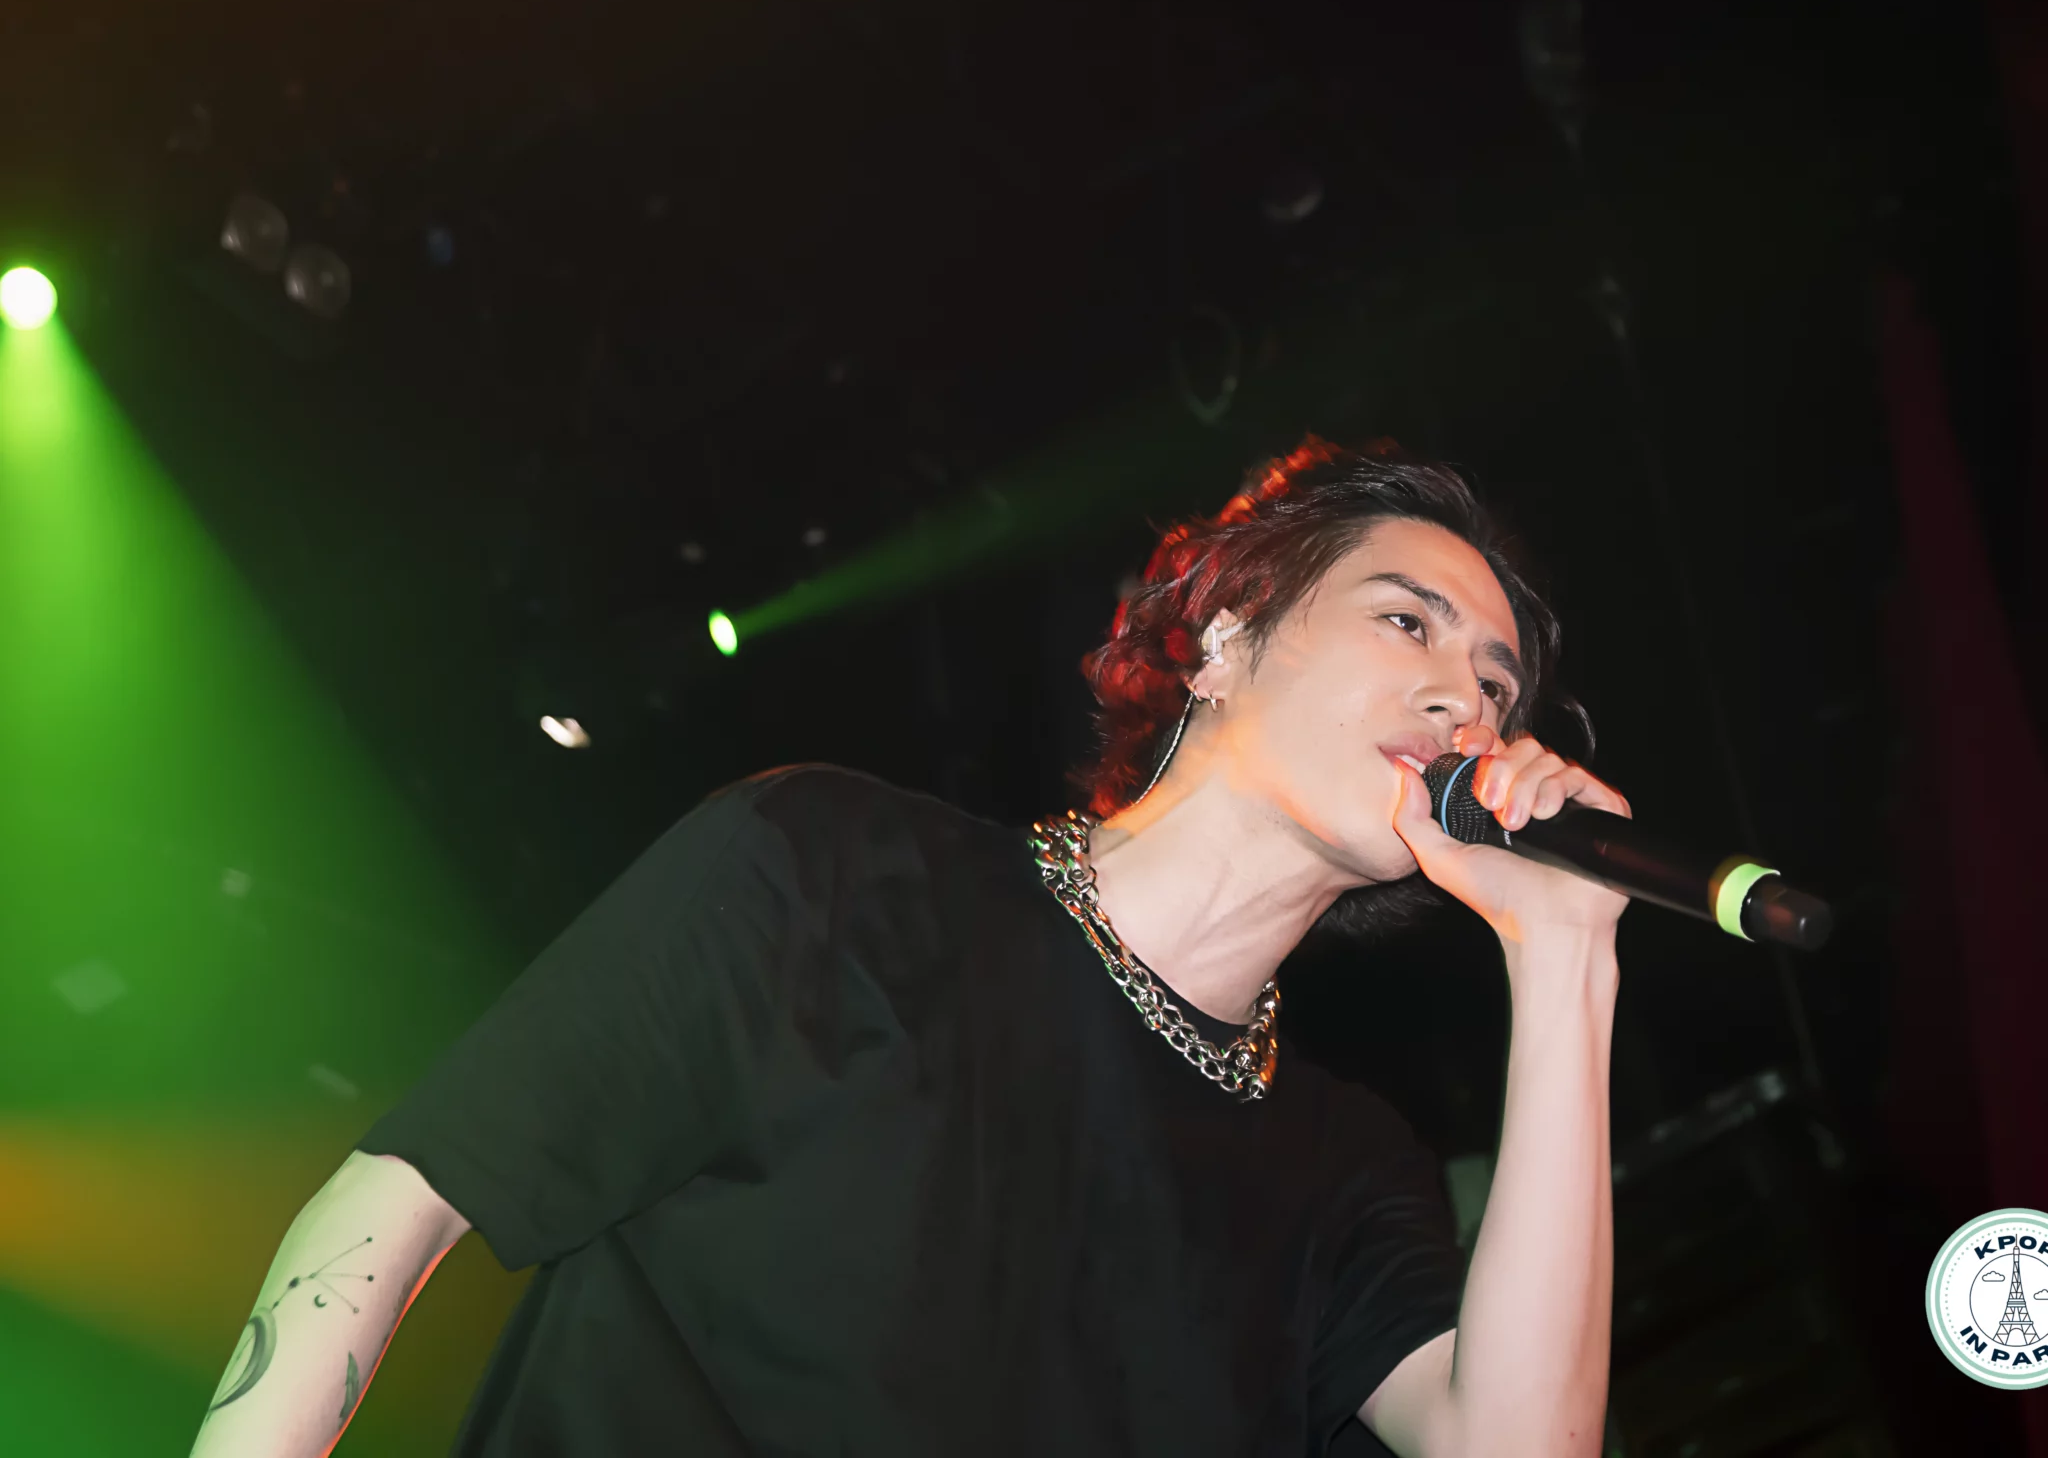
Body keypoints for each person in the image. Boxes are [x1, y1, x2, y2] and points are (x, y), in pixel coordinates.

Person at [188, 436, 1628, 1458]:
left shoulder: (1343, 1171)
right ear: (1226, 640)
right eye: (1408, 623)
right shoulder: (832, 871)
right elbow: (407, 1198)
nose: (1465, 700)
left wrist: (1567, 956)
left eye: (1496, 687)